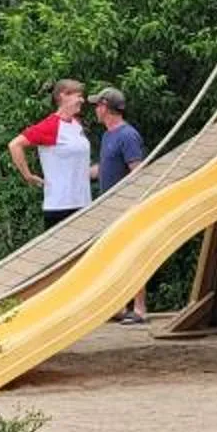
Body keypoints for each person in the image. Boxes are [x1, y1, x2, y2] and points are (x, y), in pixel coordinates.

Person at [92, 88, 149, 322]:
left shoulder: (127, 135)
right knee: (114, 255)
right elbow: (102, 169)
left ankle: (139, 308)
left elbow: (138, 171)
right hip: (109, 206)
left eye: (97, 105)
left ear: (106, 107)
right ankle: (120, 306)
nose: (95, 109)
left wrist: (131, 202)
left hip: (126, 205)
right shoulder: (107, 136)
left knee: (133, 254)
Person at [7, 80, 94, 229]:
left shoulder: (76, 124)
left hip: (84, 203)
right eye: (78, 96)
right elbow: (15, 145)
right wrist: (28, 175)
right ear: (63, 96)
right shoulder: (51, 125)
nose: (82, 100)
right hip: (61, 207)